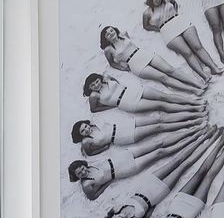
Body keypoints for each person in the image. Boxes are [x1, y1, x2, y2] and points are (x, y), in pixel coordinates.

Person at [95, 132, 224, 218]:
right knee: (183, 165)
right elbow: (146, 217)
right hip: (156, 195)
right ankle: (210, 142)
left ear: (111, 217)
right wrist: (154, 202)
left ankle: (199, 137)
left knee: (176, 160)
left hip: (144, 186)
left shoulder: (115, 210)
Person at [67, 124, 204, 199]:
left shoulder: (89, 164)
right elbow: (93, 196)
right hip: (123, 170)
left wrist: (103, 147)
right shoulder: (86, 184)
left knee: (157, 144)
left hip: (120, 157)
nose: (83, 172)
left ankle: (193, 132)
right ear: (77, 177)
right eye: (80, 173)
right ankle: (190, 143)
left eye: (82, 168)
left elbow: (90, 151)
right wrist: (108, 183)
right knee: (159, 153)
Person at [141, 0, 222, 80]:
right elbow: (146, 26)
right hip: (167, 30)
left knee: (197, 46)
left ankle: (214, 68)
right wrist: (159, 29)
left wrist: (175, 13)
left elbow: (174, 4)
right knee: (187, 53)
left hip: (180, 22)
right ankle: (204, 75)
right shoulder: (147, 12)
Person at [70, 107, 205, 157]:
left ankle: (194, 115)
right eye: (83, 131)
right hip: (122, 136)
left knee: (158, 118)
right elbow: (89, 153)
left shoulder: (94, 124)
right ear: (81, 135)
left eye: (84, 126)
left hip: (124, 125)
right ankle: (191, 124)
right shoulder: (88, 141)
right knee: (158, 127)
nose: (86, 129)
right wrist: (104, 147)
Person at [83, 70, 201, 115]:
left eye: (97, 81)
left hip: (130, 91)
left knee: (164, 96)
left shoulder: (107, 79)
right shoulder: (94, 95)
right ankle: (192, 109)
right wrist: (112, 106)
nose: (96, 85)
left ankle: (194, 102)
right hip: (125, 103)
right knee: (160, 105)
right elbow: (93, 109)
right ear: (90, 88)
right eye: (92, 85)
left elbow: (117, 83)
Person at [98, 24, 185, 85]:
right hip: (134, 63)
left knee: (169, 69)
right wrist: (123, 68)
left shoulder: (124, 34)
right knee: (163, 77)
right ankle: (190, 89)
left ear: (115, 30)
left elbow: (131, 44)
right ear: (106, 39)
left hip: (142, 53)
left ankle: (192, 83)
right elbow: (112, 63)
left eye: (111, 30)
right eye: (108, 34)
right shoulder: (108, 49)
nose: (111, 33)